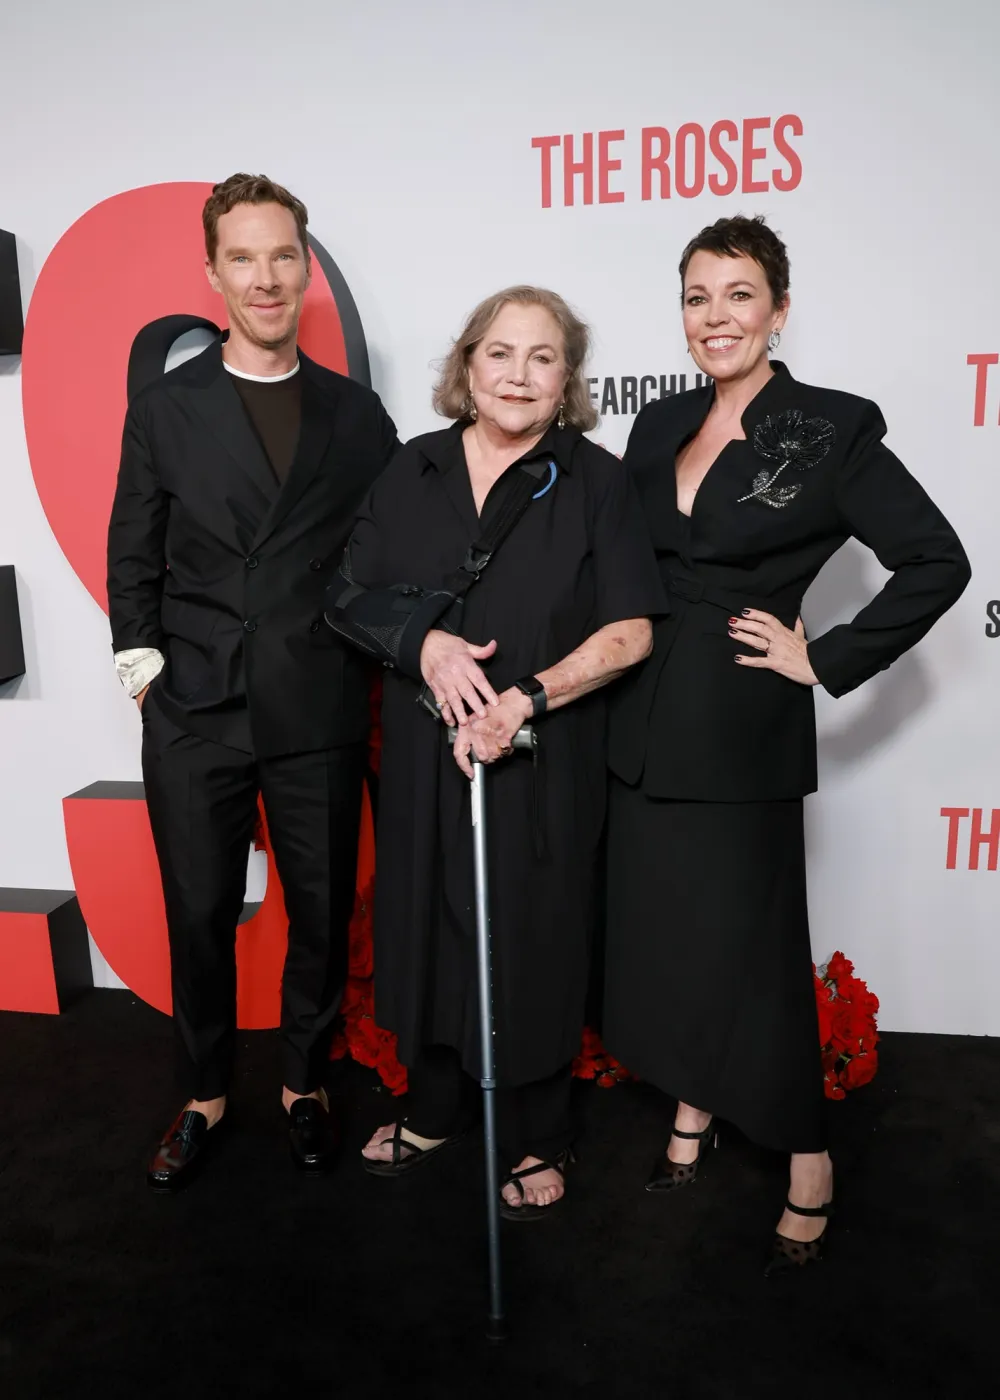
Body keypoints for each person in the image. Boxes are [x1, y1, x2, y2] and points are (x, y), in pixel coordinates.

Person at [603, 215, 970, 1272]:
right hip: (636, 716)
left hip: (737, 722)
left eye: (737, 294)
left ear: (778, 308)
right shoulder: (653, 423)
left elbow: (934, 560)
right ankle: (690, 1106)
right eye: (696, 296)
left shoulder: (830, 425)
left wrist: (829, 655)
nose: (714, 317)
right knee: (668, 935)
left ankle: (807, 1152)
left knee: (752, 944)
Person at [326, 286, 664, 1216]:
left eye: (543, 357)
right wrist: (425, 643)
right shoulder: (412, 469)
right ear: (467, 366)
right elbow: (345, 594)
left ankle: (537, 1132)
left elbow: (633, 631)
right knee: (428, 931)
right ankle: (434, 1107)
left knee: (533, 939)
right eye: (501, 353)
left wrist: (525, 700)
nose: (519, 374)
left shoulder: (596, 482)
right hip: (424, 760)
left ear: (568, 379)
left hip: (539, 756)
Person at [106, 173, 399, 1190]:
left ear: (305, 266)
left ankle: (302, 1086)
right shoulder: (166, 407)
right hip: (193, 708)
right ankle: (203, 1093)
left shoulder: (358, 416)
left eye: (283, 255)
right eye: (244, 257)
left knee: (317, 912)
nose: (266, 277)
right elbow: (132, 548)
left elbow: (386, 555)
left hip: (315, 702)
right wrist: (144, 671)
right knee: (196, 911)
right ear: (213, 272)